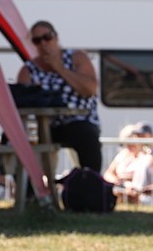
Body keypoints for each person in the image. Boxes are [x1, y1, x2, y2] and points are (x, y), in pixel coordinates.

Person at [16, 20, 102, 172]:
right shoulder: (28, 69)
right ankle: (29, 185)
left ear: (56, 37)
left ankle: (91, 181)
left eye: (47, 37)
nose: (43, 44)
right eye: (37, 40)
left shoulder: (77, 58)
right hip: (44, 125)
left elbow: (89, 89)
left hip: (78, 121)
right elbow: (21, 100)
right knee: (19, 139)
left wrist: (60, 68)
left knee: (86, 136)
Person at [103, 122, 153, 205]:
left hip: (148, 199)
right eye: (137, 135)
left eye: (143, 135)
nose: (139, 138)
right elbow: (108, 173)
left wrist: (144, 190)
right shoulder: (131, 155)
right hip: (133, 196)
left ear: (151, 137)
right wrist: (121, 184)